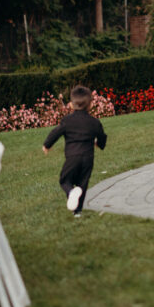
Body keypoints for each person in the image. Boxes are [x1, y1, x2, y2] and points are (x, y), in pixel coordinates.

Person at [42, 85, 107, 218]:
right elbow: (102, 136)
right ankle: (77, 212)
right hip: (88, 158)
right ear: (90, 105)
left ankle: (71, 193)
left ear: (71, 104)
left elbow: (56, 132)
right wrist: (99, 144)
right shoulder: (94, 122)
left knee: (65, 180)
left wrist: (47, 145)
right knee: (82, 184)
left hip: (72, 157)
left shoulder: (67, 121)